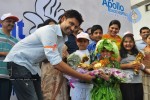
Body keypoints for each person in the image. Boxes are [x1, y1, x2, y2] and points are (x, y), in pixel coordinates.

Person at [4, 9, 94, 100]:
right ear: (63, 19)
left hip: (32, 67)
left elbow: (55, 61)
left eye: (76, 27)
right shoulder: (50, 31)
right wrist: (82, 76)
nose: (72, 28)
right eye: (71, 23)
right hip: (18, 62)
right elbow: (57, 63)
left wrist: (79, 68)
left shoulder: (62, 38)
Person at [39, 18, 69, 100]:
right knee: (47, 94)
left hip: (60, 74)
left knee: (59, 95)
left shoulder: (62, 43)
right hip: (47, 72)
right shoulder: (42, 41)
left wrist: (66, 58)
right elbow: (40, 58)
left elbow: (67, 59)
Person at [67, 32, 93, 100]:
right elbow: (68, 72)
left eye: (85, 41)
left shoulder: (92, 55)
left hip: (90, 86)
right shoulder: (72, 56)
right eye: (80, 41)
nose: (82, 43)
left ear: (88, 42)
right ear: (76, 42)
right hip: (77, 86)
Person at [119, 33, 144, 100]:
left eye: (130, 42)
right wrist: (128, 65)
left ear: (133, 43)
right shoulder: (120, 53)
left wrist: (140, 66)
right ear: (122, 43)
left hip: (138, 81)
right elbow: (115, 66)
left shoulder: (138, 52)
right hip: (126, 82)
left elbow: (142, 65)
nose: (128, 44)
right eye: (126, 42)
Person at [0, 13, 19, 100]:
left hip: (7, 76)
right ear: (1, 22)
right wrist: (5, 54)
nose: (11, 24)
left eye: (13, 22)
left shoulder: (15, 41)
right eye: (8, 21)